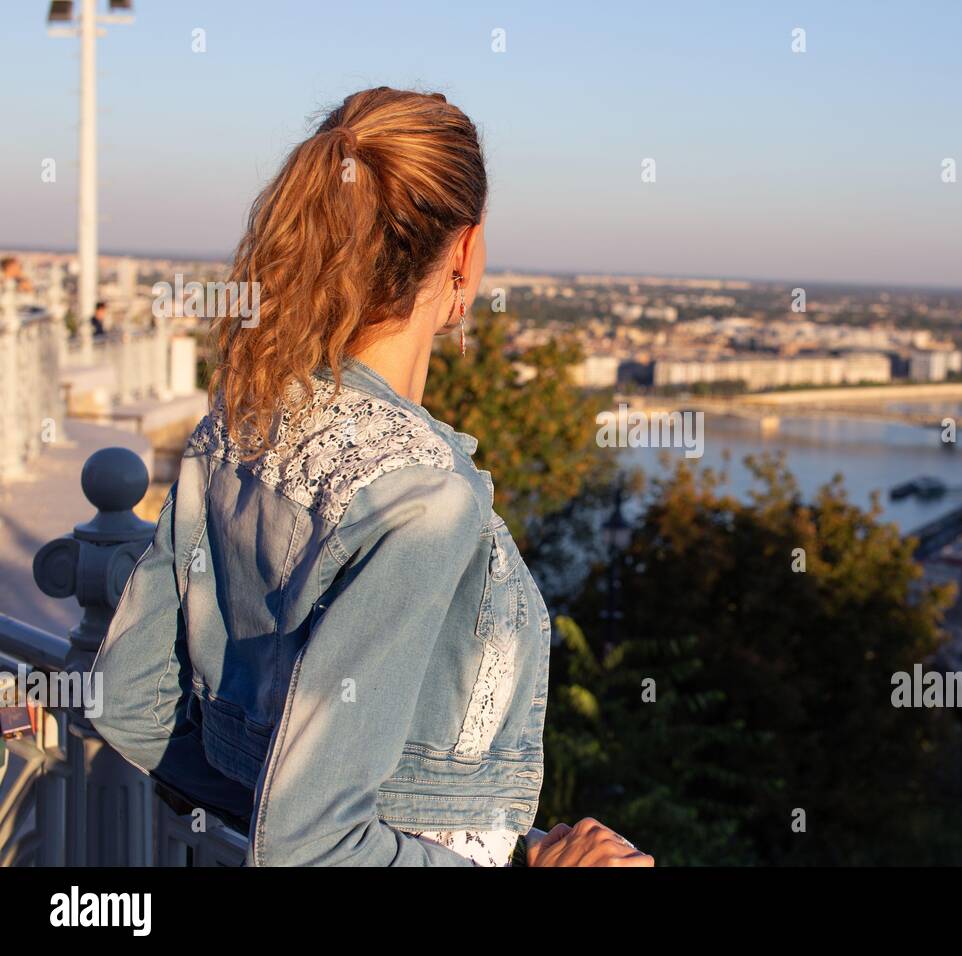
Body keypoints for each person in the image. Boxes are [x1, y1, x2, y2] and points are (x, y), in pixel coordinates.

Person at [89, 87, 652, 868]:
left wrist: (262, 800)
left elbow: (129, 707)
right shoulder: (423, 499)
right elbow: (310, 846)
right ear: (466, 250)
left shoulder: (242, 420)